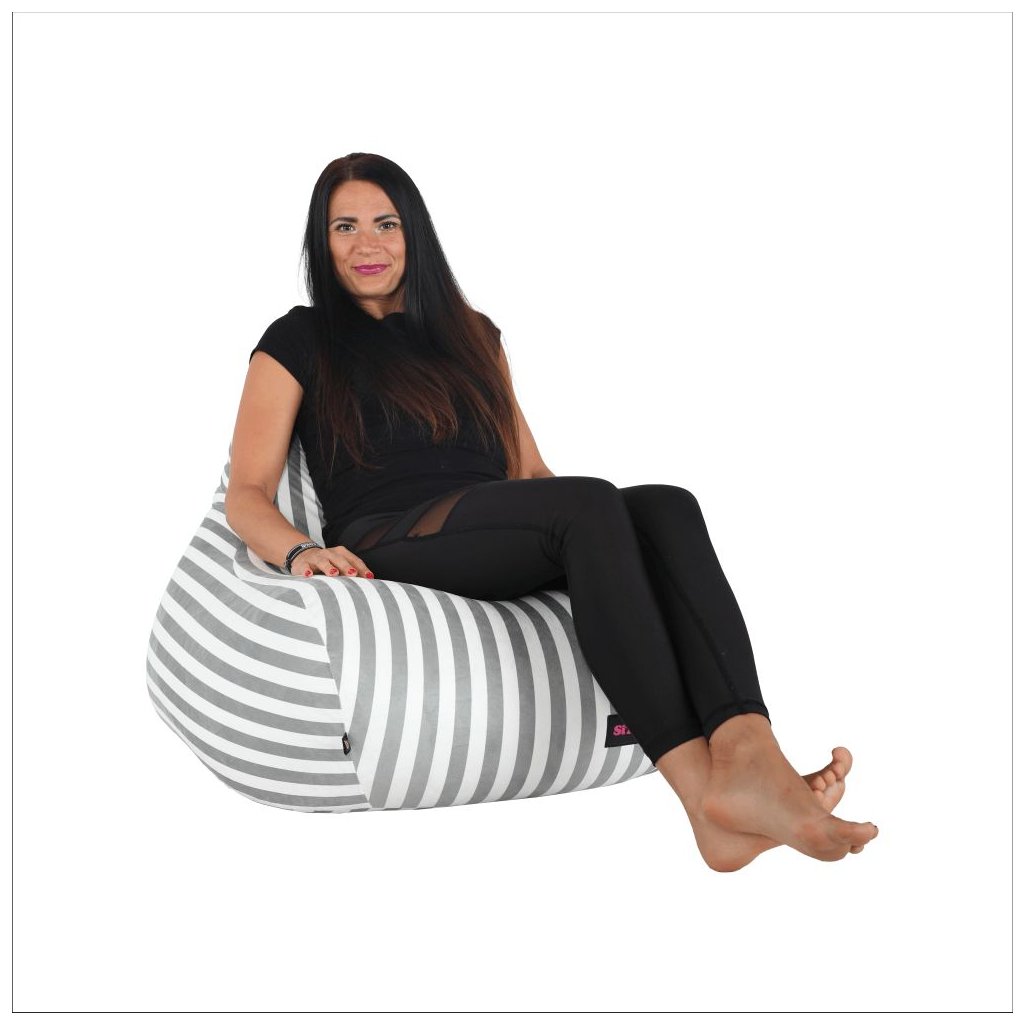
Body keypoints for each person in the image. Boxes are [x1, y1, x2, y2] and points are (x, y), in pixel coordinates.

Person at [225, 152, 880, 871]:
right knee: (590, 502)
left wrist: (610, 544)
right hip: (392, 535)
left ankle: (749, 749)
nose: (366, 244)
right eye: (344, 227)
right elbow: (248, 491)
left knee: (666, 507)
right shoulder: (299, 338)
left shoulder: (474, 334)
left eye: (386, 224)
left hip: (482, 526)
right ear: (321, 242)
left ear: (415, 232)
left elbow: (530, 471)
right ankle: (704, 796)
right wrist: (300, 552)